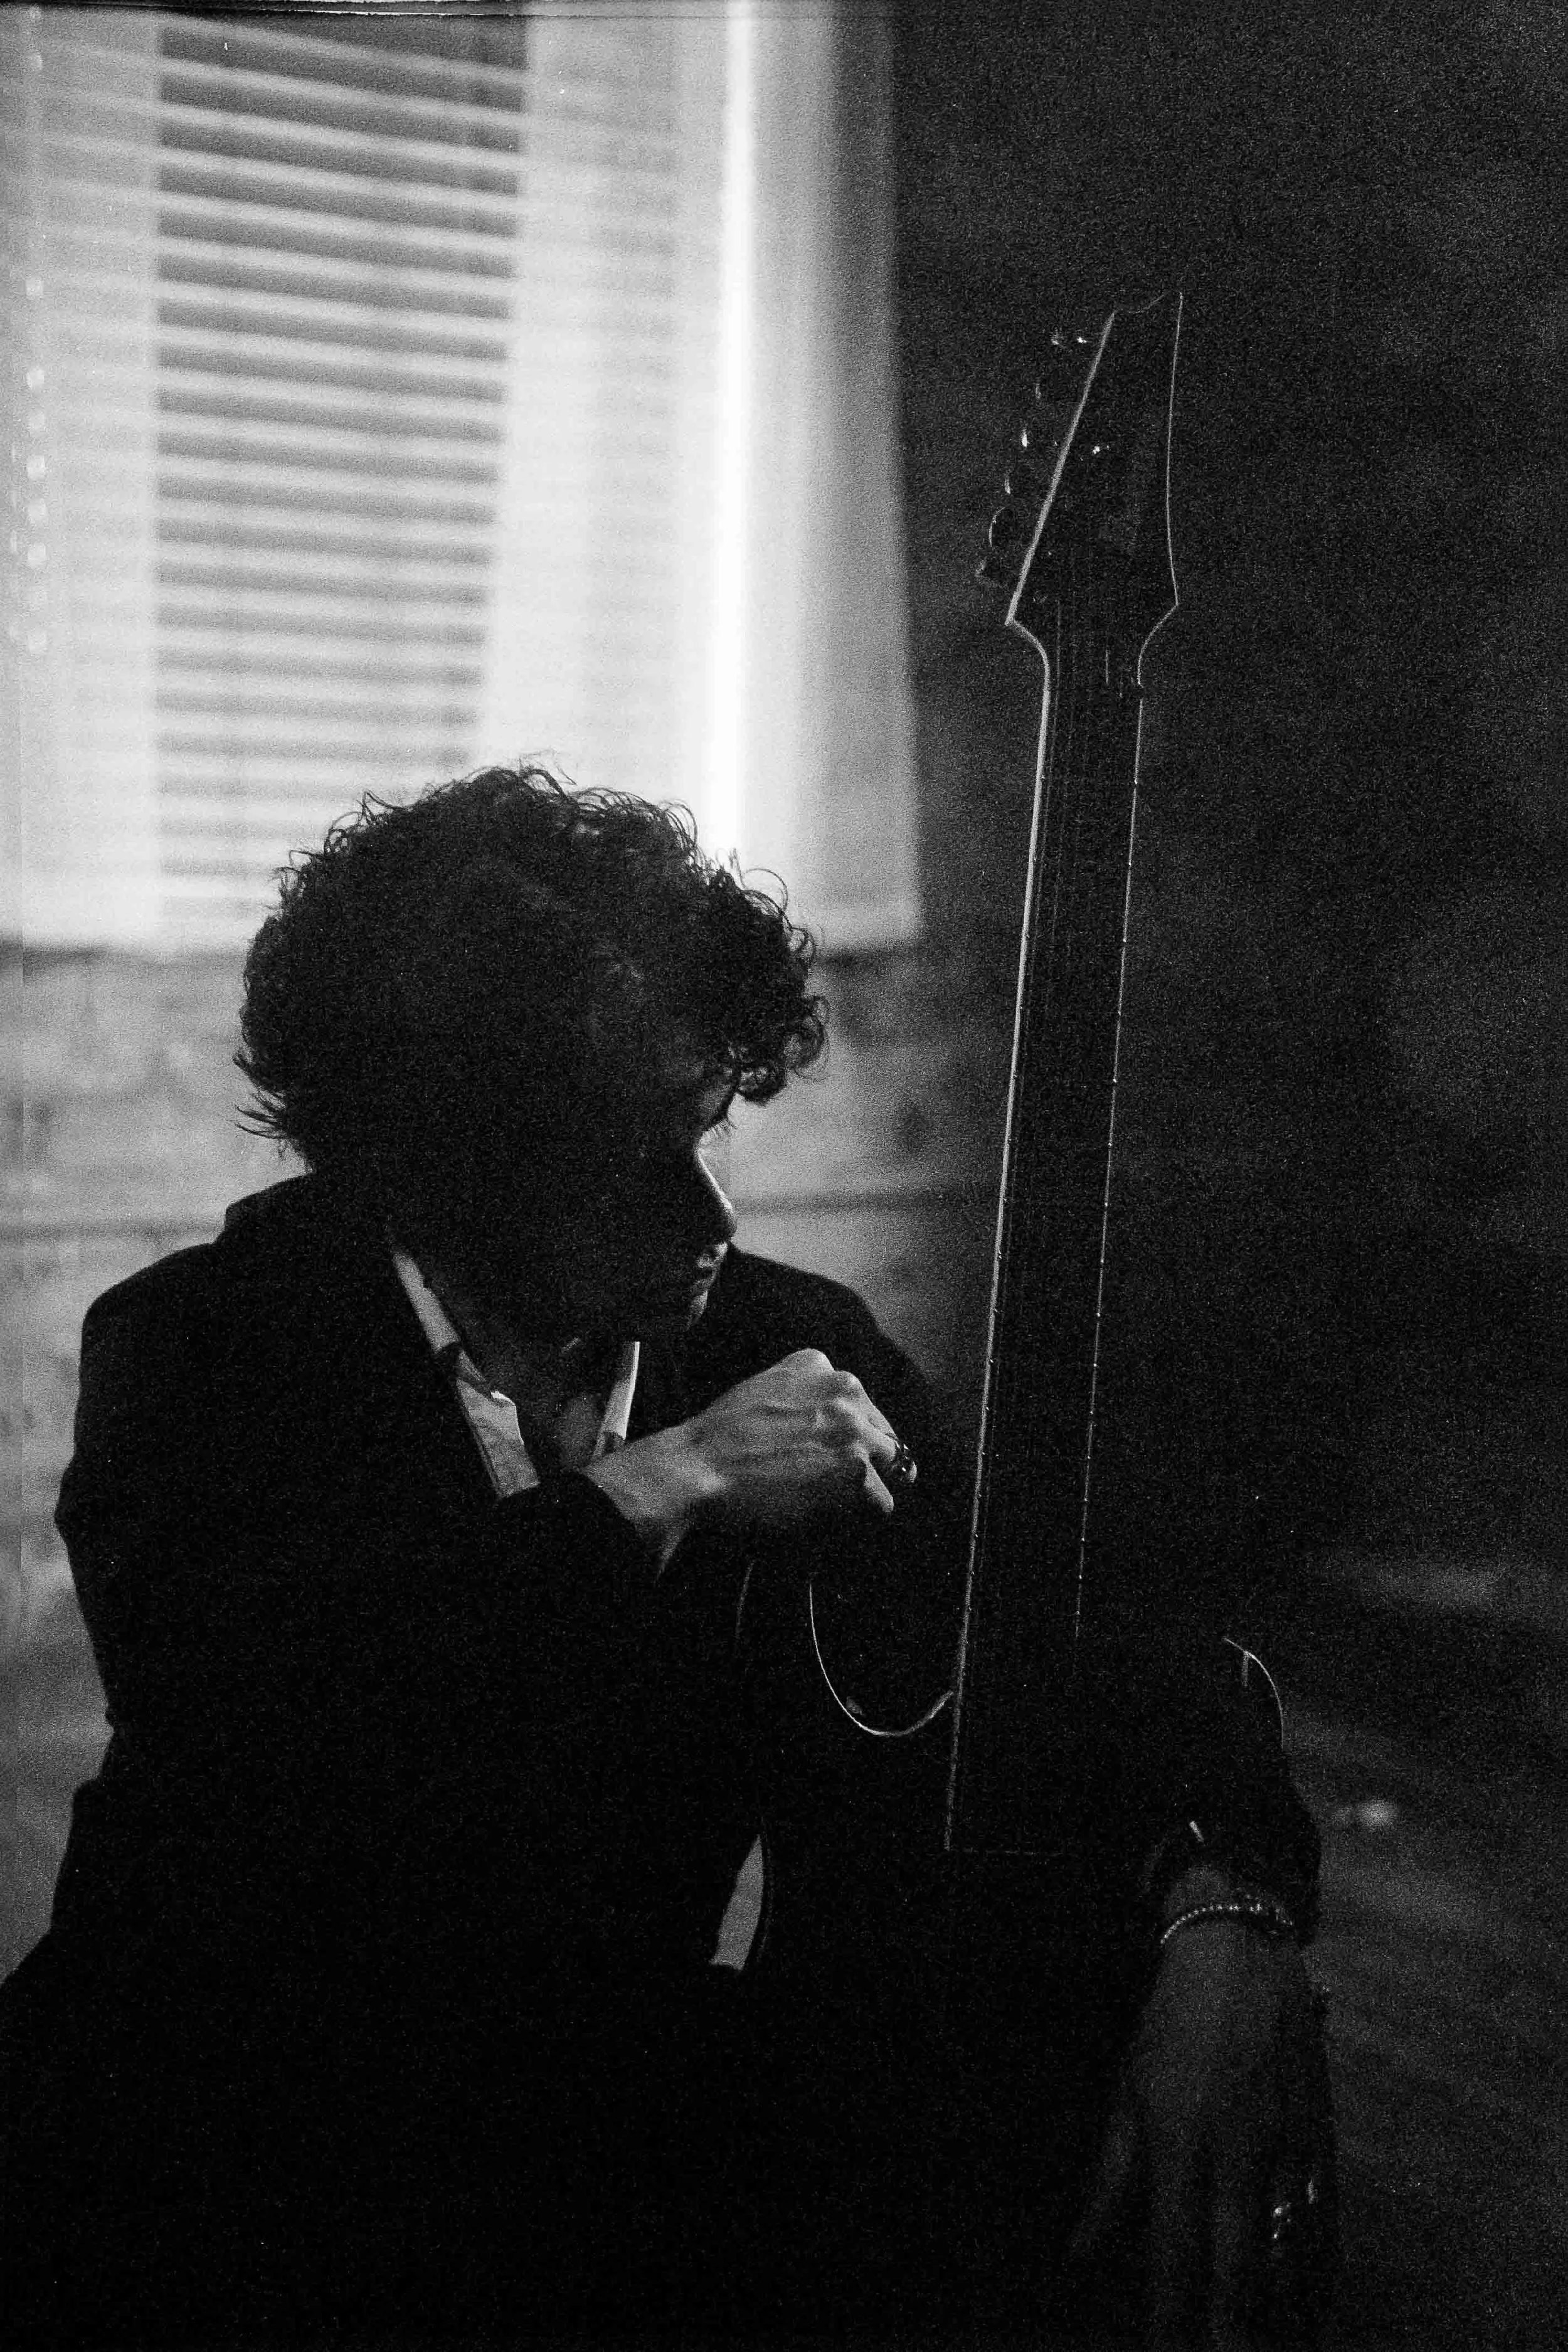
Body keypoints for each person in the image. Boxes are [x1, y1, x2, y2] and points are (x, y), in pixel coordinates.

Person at [1, 765, 1329, 2346]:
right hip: (208, 2119)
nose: (711, 1210)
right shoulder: (199, 1346)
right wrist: (670, 1482)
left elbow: (1099, 1638)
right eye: (634, 1157)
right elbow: (285, 1724)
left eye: (707, 1131)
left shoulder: (781, 1342)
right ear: (443, 1162)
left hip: (573, 2112)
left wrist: (1227, 1914)